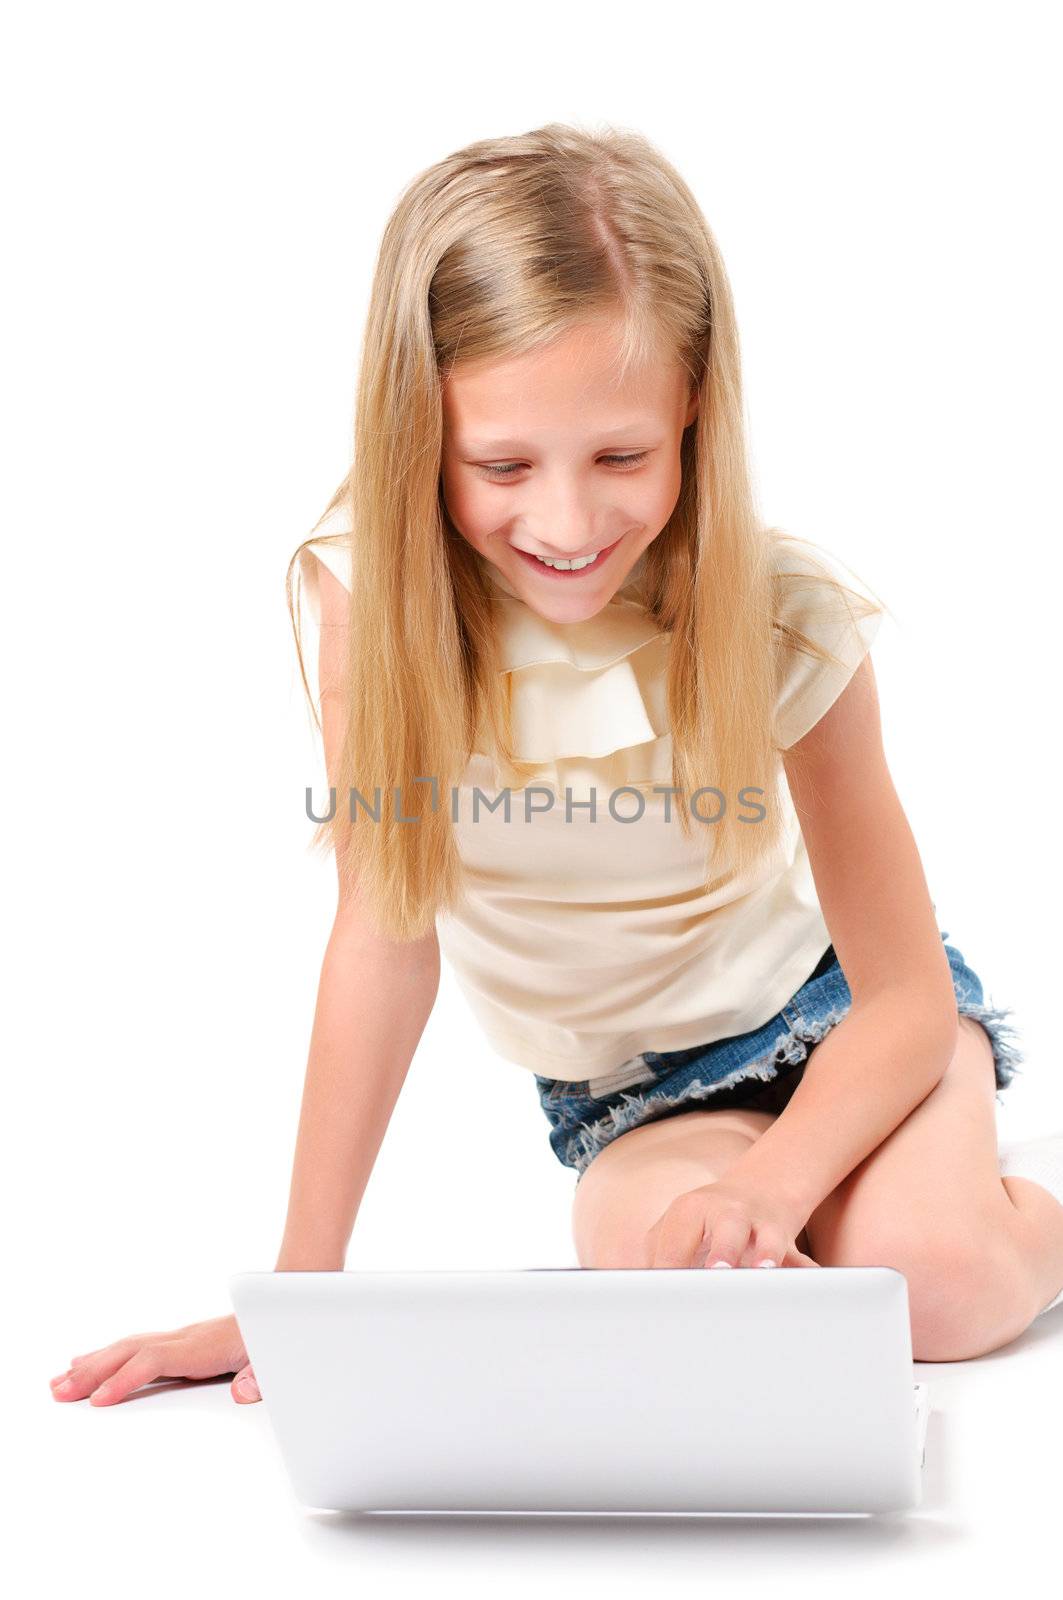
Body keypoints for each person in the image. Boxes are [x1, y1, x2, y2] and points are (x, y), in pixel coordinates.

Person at [50, 122, 1063, 1411]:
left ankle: (1024, 1204)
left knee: (945, 1287)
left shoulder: (782, 613)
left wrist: (775, 1186)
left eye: (624, 457)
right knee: (684, 1300)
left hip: (838, 1027)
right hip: (637, 1100)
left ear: (696, 406)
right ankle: (850, 1199)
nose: (570, 524)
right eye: (504, 465)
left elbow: (907, 995)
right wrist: (298, 1295)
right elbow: (385, 933)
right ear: (421, 428)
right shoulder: (370, 594)